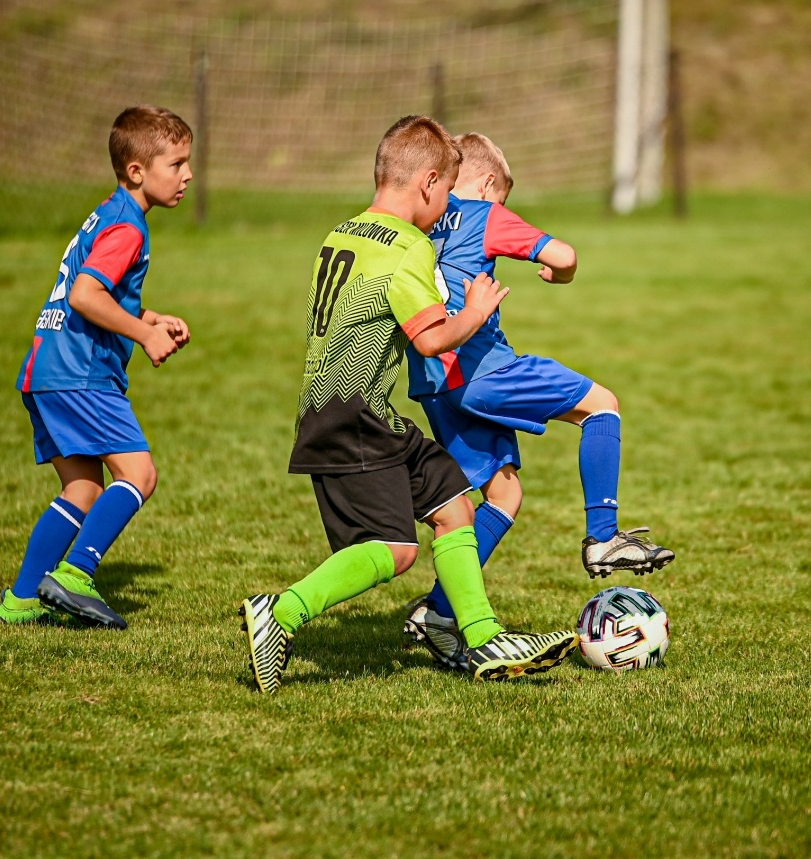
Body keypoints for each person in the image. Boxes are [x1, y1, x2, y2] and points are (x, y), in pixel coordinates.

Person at [237, 115, 578, 693]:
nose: (445, 209)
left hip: (357, 409)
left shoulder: (343, 232)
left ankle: (483, 637)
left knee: (454, 504)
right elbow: (430, 339)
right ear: (427, 183)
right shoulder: (409, 246)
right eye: (446, 193)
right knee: (395, 550)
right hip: (351, 415)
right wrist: (475, 312)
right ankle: (282, 612)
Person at [400, 132, 674, 669]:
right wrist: (558, 272)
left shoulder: (420, 223)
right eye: (501, 197)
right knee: (603, 405)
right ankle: (603, 537)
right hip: (484, 370)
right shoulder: (484, 213)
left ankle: (437, 611)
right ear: (485, 184)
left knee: (504, 495)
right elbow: (564, 256)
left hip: (434, 384)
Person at [0, 106, 194, 628]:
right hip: (80, 374)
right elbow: (85, 295)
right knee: (139, 474)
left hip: (47, 370)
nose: (188, 175)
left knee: (83, 490)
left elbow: (100, 295)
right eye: (176, 164)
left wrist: (150, 317)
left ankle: (21, 600)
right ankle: (76, 575)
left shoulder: (109, 213)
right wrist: (144, 335)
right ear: (137, 171)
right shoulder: (128, 228)